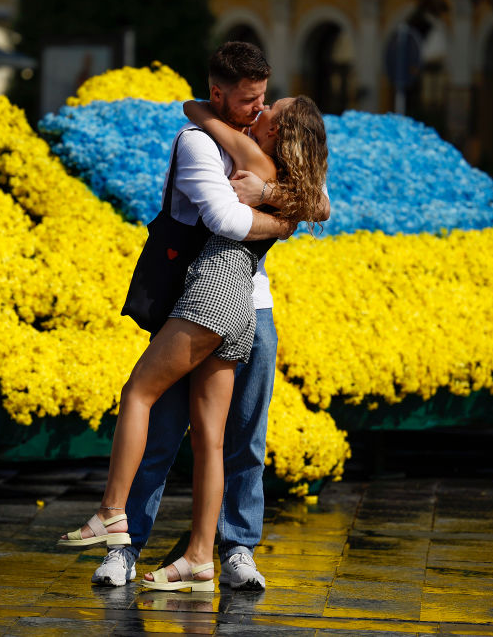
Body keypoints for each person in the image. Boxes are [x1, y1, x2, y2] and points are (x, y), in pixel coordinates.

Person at [61, 42, 329, 591]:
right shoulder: (205, 142)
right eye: (253, 101)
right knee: (167, 432)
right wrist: (280, 214)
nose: (258, 110)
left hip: (238, 304)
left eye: (264, 104)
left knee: (241, 439)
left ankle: (230, 548)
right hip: (198, 298)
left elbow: (320, 201)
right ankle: (130, 545)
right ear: (221, 94)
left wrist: (271, 193)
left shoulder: (263, 154)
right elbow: (228, 214)